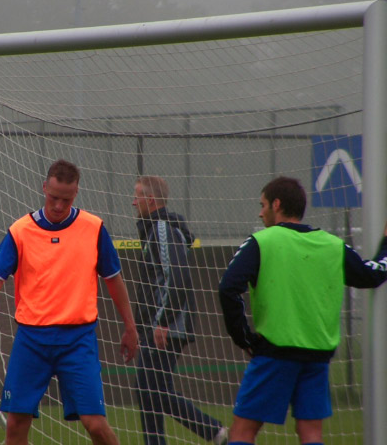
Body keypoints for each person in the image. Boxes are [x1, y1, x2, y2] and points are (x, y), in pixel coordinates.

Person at [0, 159, 138, 445]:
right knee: (15, 426)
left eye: (65, 199)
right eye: (53, 197)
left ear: (76, 194)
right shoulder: (21, 230)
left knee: (95, 425)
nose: (57, 205)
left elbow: (114, 280)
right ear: (44, 187)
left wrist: (130, 326)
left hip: (78, 340)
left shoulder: (93, 228)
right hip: (32, 339)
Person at [219, 176, 387, 445]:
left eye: (262, 205)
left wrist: (245, 338)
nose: (260, 212)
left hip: (276, 351)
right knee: (310, 434)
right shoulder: (332, 245)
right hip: (317, 356)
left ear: (277, 204)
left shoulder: (263, 241)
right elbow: (371, 275)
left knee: (242, 432)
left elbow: (228, 287)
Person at [132, 175, 228, 445]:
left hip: (167, 326)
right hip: (156, 325)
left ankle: (214, 432)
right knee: (148, 390)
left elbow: (179, 276)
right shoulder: (154, 228)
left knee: (154, 390)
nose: (133, 202)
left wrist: (162, 321)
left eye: (137, 196)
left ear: (150, 200)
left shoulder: (162, 228)